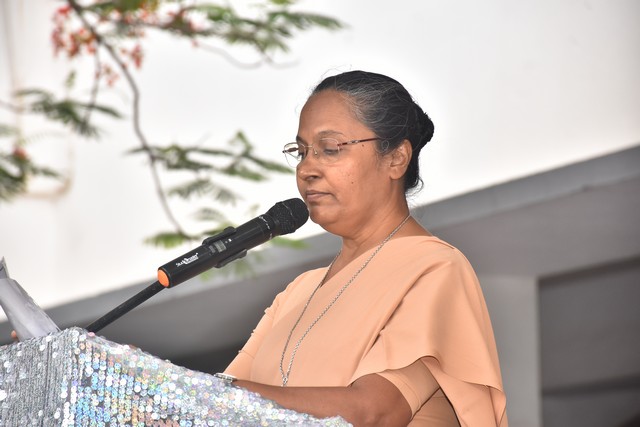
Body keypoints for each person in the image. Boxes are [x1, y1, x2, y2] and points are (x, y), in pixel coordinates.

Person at [223, 70, 508, 426]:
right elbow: (216, 401)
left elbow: (374, 413)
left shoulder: (434, 268)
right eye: (301, 152)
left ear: (396, 159)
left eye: (330, 149)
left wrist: (200, 393)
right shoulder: (297, 293)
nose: (307, 168)